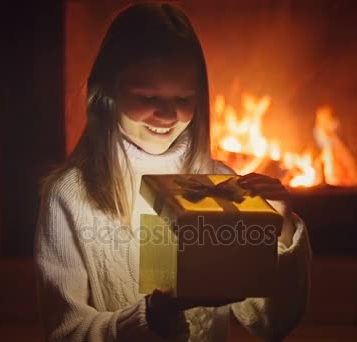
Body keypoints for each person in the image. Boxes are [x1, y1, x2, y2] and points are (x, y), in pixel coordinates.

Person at [34, 3, 312, 341]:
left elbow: (270, 323)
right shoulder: (70, 196)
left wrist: (279, 233)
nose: (167, 115)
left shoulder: (223, 185)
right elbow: (66, 332)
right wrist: (150, 319)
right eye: (148, 96)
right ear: (107, 93)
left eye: (183, 98)